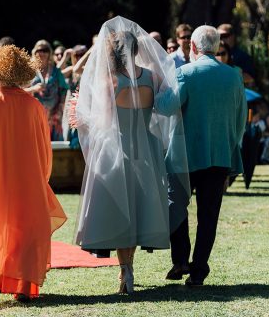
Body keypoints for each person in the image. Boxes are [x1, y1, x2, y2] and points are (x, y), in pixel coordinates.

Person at [73, 16, 190, 294]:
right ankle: (130, 265)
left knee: (121, 212)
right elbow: (165, 108)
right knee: (139, 209)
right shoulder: (153, 76)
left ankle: (125, 269)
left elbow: (100, 121)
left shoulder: (110, 81)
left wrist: (80, 115)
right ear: (137, 50)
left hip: (117, 148)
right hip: (147, 150)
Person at [0, 45, 66, 302]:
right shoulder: (35, 107)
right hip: (28, 180)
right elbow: (44, 148)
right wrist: (42, 177)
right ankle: (23, 286)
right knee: (24, 232)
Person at [167, 25, 247, 287]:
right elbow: (239, 118)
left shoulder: (186, 73)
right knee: (208, 215)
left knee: (176, 205)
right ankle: (198, 269)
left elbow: (166, 106)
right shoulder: (234, 76)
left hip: (187, 156)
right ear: (216, 46)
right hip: (220, 154)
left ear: (192, 46)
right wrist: (232, 144)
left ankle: (180, 259)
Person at [25, 40, 68, 141]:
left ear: (50, 53)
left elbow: (64, 90)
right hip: (34, 117)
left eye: (45, 50)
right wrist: (33, 89)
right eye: (39, 50)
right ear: (34, 52)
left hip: (54, 118)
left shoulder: (56, 71)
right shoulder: (29, 72)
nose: (42, 53)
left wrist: (59, 109)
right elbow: (19, 91)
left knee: (55, 149)